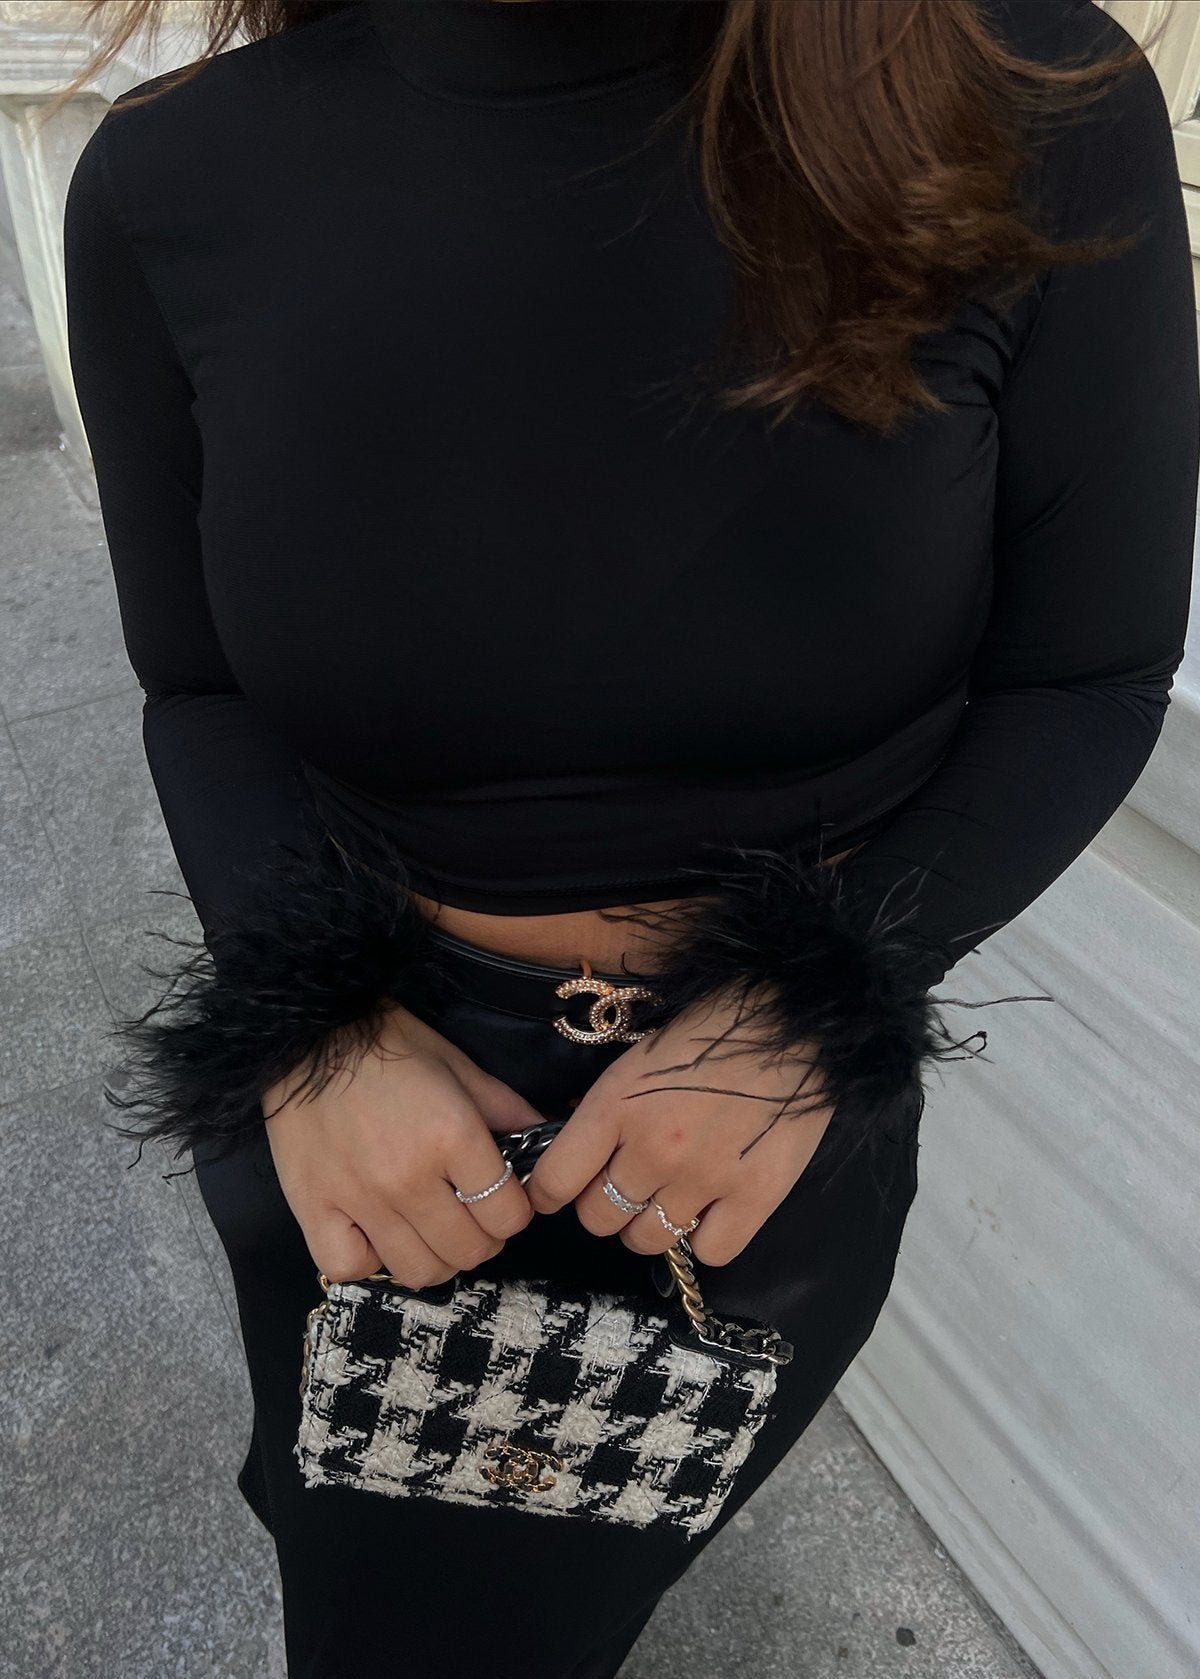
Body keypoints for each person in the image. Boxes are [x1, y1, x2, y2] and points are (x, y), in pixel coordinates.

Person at [59, 1, 1196, 1674]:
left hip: (753, 1128)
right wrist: (310, 1037)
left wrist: (799, 1020)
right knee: (364, 1550)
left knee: (485, 1604)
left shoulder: (1020, 96)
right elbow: (205, 690)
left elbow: (1085, 673)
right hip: (350, 1082)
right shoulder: (173, 175)